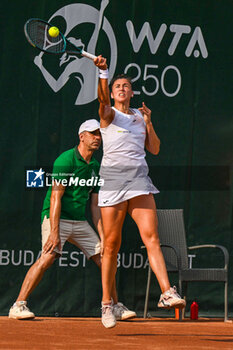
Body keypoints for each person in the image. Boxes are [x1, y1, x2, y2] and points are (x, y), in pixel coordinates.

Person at [9, 119, 136, 321]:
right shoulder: (65, 159)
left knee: (106, 259)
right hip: (55, 217)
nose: (97, 138)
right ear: (81, 137)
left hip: (79, 221)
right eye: (93, 134)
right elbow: (55, 197)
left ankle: (114, 306)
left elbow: (95, 206)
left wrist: (103, 237)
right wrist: (54, 231)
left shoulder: (95, 166)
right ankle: (18, 305)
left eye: (99, 134)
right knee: (48, 256)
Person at [93, 56, 186, 328]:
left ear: (132, 92)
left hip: (138, 180)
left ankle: (167, 293)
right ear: (112, 92)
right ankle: (107, 303)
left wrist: (148, 122)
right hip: (112, 180)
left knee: (152, 238)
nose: (122, 88)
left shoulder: (138, 115)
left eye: (126, 85)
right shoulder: (109, 114)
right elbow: (101, 101)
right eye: (117, 85)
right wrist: (104, 73)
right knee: (111, 246)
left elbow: (154, 149)